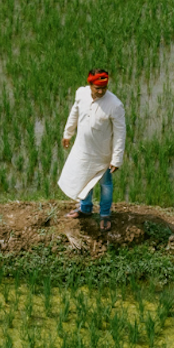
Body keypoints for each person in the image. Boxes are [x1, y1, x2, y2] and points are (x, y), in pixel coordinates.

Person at [58, 69, 126, 231]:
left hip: (103, 154)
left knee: (105, 185)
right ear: (90, 84)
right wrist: (68, 133)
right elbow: (74, 113)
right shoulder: (81, 94)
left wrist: (116, 159)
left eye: (104, 88)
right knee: (83, 178)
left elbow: (120, 133)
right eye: (97, 88)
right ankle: (85, 208)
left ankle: (105, 214)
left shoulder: (115, 105)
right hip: (83, 149)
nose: (101, 91)